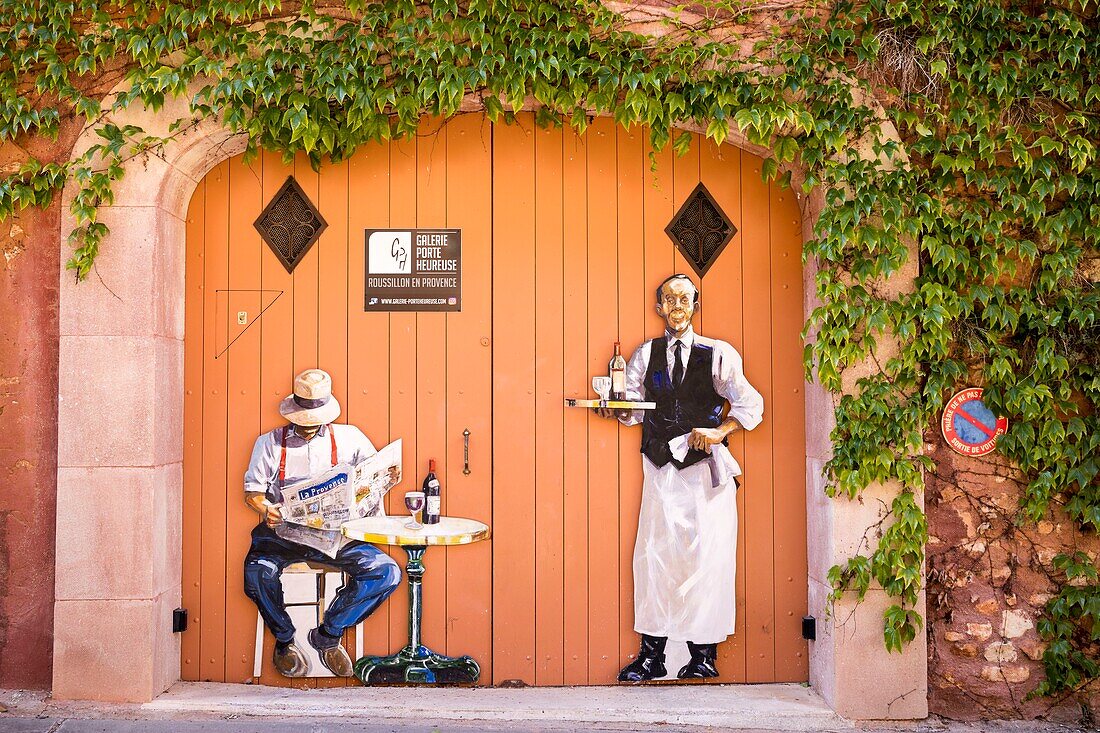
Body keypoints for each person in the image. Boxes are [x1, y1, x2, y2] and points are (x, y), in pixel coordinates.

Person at [597, 274, 764, 681]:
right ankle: (651, 656)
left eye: (684, 299)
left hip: (704, 474)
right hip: (659, 469)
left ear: (695, 304)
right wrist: (617, 410)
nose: (677, 305)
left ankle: (702, 657)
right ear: (659, 307)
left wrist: (721, 430)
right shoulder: (645, 354)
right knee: (654, 559)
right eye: (669, 299)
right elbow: (634, 407)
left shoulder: (718, 353)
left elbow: (751, 405)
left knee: (706, 561)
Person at [243, 368, 401, 678]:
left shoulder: (350, 438)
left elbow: (371, 478)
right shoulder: (270, 443)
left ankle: (328, 634)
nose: (307, 428)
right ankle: (285, 639)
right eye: (301, 422)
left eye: (313, 423)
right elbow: (253, 493)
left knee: (387, 572)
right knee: (257, 572)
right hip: (283, 537)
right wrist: (266, 509)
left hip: (336, 538)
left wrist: (377, 485)